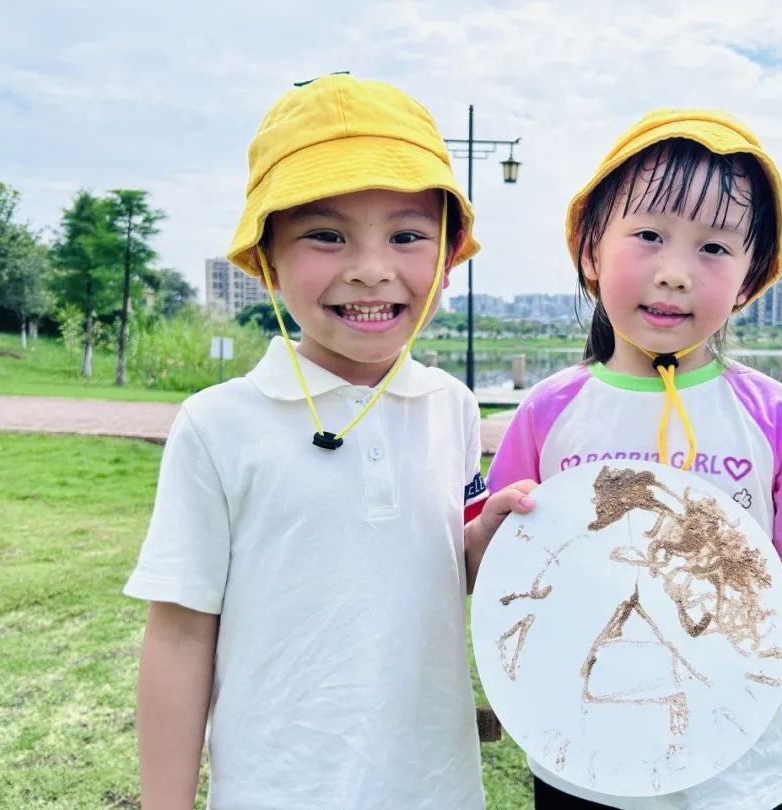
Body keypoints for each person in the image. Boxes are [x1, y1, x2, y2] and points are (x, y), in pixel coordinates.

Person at [124, 74, 534, 810]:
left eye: (408, 235)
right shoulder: (219, 426)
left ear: (447, 258)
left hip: (435, 787)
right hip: (275, 789)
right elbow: (180, 638)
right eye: (326, 233)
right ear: (268, 258)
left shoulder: (453, 408)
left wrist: (489, 539)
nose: (371, 267)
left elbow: (436, 572)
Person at [487, 108, 782, 810]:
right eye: (648, 236)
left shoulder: (777, 418)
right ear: (589, 253)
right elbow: (503, 567)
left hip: (734, 773)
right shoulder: (547, 413)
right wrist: (489, 533)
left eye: (715, 249)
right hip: (579, 762)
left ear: (752, 277)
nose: (674, 273)